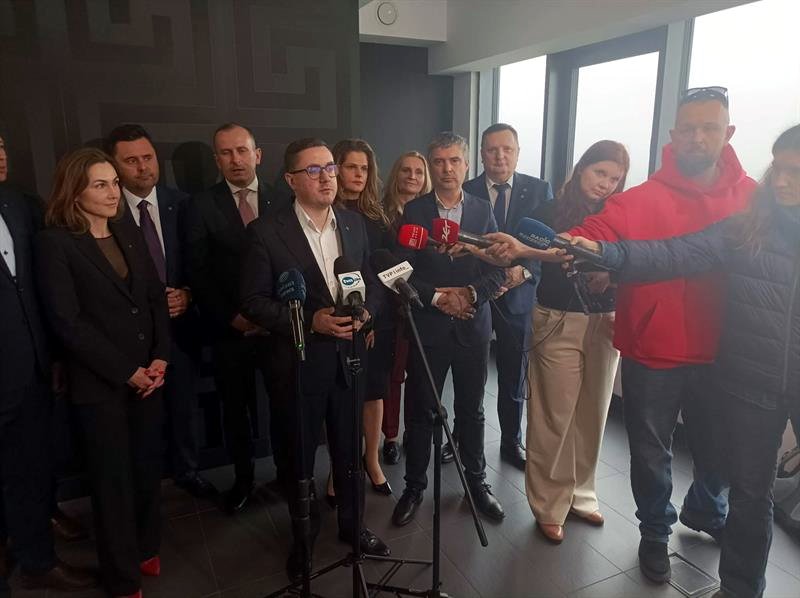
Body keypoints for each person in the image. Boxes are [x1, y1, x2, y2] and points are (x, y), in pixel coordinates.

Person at [487, 87, 756, 583]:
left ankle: (700, 508)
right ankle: (652, 531)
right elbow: (594, 235)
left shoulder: (753, 198)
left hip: (722, 350)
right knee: (644, 451)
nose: (698, 138)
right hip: (648, 346)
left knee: (716, 448)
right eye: (688, 129)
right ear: (673, 134)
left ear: (729, 133)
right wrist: (542, 248)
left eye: (709, 128)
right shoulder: (640, 199)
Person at [571, 123, 800, 598]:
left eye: (794, 172)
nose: (781, 181)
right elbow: (674, 253)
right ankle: (734, 587)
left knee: (729, 475)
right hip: (751, 382)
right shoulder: (750, 223)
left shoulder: (744, 198)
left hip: (746, 370)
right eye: (778, 168)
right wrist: (600, 252)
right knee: (750, 495)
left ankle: (707, 518)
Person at [240, 138, 390, 581]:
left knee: (349, 452)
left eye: (330, 168)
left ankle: (353, 527)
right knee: (299, 457)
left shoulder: (354, 223)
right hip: (298, 364)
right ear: (291, 180)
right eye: (314, 170)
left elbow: (372, 282)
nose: (327, 177)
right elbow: (253, 301)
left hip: (349, 360)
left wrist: (367, 311)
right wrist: (310, 321)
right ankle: (303, 539)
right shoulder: (265, 232)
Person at [35, 148, 170, 598]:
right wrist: (126, 370)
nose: (114, 192)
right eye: (101, 184)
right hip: (100, 385)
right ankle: (122, 577)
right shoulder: (55, 243)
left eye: (114, 182)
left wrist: (161, 357)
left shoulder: (127, 231)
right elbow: (66, 322)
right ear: (75, 192)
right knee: (112, 485)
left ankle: (147, 548)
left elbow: (154, 297)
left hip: (149, 377)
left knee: (147, 470)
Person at [392, 132, 506, 527]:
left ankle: (477, 483)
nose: (447, 169)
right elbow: (401, 270)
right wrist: (439, 297)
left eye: (454, 161)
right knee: (421, 410)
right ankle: (413, 487)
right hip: (429, 325)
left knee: (472, 411)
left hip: (473, 325)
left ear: (466, 165)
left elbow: (498, 270)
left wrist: (470, 294)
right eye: (439, 162)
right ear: (430, 166)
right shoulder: (415, 211)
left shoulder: (482, 210)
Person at [0, 137, 95, 593]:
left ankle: (37, 559)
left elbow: (38, 289)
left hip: (31, 367)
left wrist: (53, 355)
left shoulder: (19, 204)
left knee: (33, 467)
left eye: (1, 144)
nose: (1, 153)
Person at [524, 141, 629, 543]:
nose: (605, 184)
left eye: (614, 179)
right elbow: (524, 257)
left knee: (593, 412)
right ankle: (549, 503)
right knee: (554, 415)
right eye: (600, 173)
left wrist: (613, 277)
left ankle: (581, 494)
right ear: (582, 167)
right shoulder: (549, 211)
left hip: (606, 321)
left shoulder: (619, 215)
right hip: (557, 318)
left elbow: (634, 260)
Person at [106, 124, 216, 499]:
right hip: (130, 337)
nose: (143, 168)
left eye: (148, 158)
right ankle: (144, 484)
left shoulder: (183, 204)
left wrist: (190, 294)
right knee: (138, 416)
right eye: (131, 161)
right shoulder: (106, 209)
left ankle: (187, 470)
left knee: (185, 405)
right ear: (114, 165)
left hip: (181, 328)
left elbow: (203, 264)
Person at [185, 123, 290, 513]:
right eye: (226, 153)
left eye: (242, 151)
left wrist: (274, 317)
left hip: (278, 327)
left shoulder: (284, 199)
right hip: (230, 329)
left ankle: (287, 475)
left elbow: (294, 262)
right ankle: (243, 480)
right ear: (217, 160)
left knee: (284, 406)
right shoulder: (201, 205)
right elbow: (198, 272)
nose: (235, 160)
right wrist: (233, 317)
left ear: (257, 155)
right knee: (235, 409)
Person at [462, 123, 553, 470]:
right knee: (470, 375)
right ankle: (462, 438)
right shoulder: (467, 189)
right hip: (477, 294)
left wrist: (522, 273)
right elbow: (461, 242)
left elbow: (546, 245)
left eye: (507, 149)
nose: (500, 157)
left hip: (518, 295)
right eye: (492, 150)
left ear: (517, 152)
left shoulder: (539, 189)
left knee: (514, 374)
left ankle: (511, 441)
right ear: (481, 154)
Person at [330, 138, 392, 499]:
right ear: (336, 169)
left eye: (364, 168)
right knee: (341, 399)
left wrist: (371, 319)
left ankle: (372, 460)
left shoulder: (377, 217)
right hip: (337, 321)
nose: (358, 174)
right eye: (351, 167)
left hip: (375, 318)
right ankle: (339, 469)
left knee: (373, 390)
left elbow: (381, 274)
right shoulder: (325, 210)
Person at [381, 151, 431, 464]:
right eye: (406, 170)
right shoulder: (381, 213)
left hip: (425, 303)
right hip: (392, 307)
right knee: (394, 375)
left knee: (421, 376)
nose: (412, 176)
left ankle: (417, 431)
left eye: (419, 172)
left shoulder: (430, 214)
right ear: (395, 175)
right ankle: (391, 436)